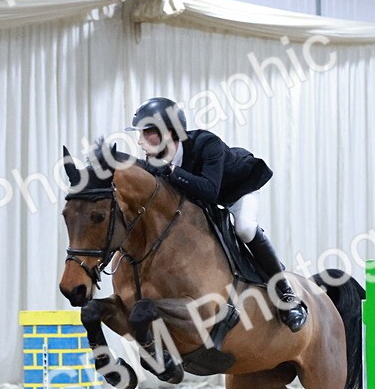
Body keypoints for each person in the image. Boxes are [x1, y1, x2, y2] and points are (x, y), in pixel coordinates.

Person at [126, 97, 308, 333]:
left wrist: (171, 170)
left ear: (169, 132)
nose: (139, 141)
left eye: (146, 132)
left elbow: (210, 191)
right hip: (202, 199)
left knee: (244, 228)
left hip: (236, 190)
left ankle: (286, 294)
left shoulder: (206, 143)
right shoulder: (154, 161)